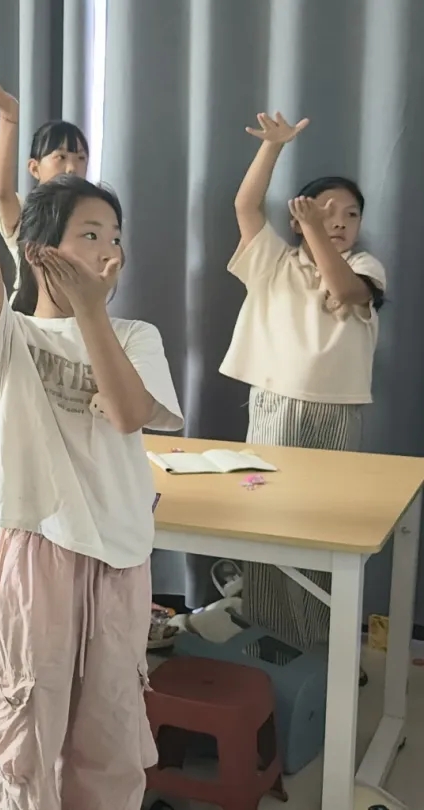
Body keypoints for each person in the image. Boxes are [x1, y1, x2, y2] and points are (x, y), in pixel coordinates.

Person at [0, 93, 183, 809]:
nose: (109, 249)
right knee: (26, 722)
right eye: (90, 234)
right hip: (39, 549)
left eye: (115, 236)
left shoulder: (136, 336)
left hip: (120, 553)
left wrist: (92, 312)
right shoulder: (12, 337)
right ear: (40, 250)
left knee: (109, 725)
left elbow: (128, 413)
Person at [221, 112, 386, 656]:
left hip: (336, 411)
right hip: (274, 405)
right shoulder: (274, 261)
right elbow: (246, 207)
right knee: (269, 518)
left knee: (324, 524)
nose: (339, 221)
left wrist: (316, 229)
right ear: (296, 218)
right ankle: (271, 637)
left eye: (350, 214)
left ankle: (323, 644)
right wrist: (272, 147)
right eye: (324, 210)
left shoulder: (364, 266)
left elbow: (347, 292)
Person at [0, 77, 89, 290]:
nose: (72, 168)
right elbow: (2, 190)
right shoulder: (26, 213)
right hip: (30, 308)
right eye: (61, 157)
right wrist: (9, 118)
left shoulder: (94, 214)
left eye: (81, 158)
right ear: (34, 168)